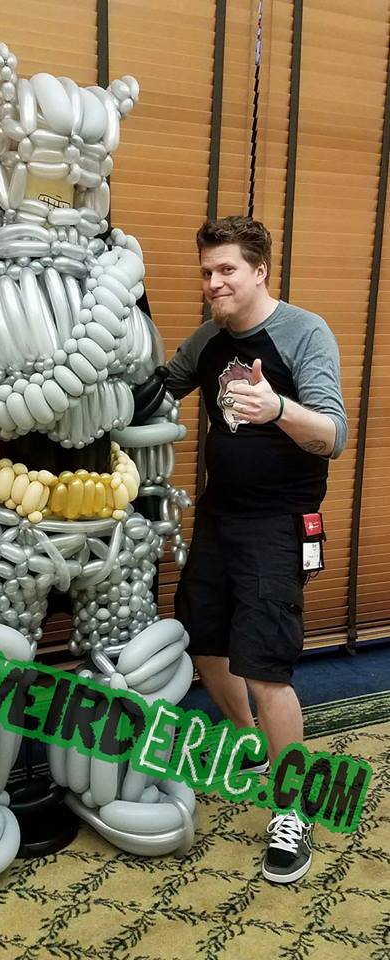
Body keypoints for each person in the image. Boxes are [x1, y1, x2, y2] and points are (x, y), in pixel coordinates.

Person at [167, 216, 347, 884]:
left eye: (226, 271)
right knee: (204, 642)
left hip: (279, 523)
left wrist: (276, 409)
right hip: (220, 516)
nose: (213, 283)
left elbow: (332, 435)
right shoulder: (210, 338)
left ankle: (292, 810)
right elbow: (160, 385)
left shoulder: (304, 333)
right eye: (206, 272)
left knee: (265, 666)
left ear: (260, 269)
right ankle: (251, 741)